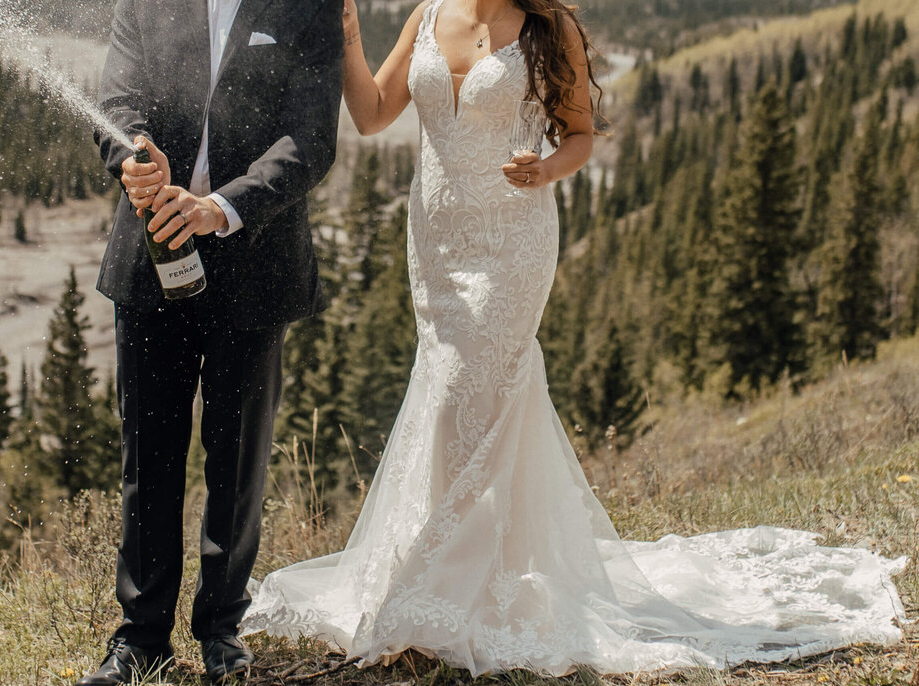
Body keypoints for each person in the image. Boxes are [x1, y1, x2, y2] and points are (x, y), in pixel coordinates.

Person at [242, 0, 908, 677]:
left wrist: (545, 170)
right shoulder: (425, 15)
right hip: (437, 243)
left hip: (513, 241)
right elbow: (372, 113)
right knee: (450, 397)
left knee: (463, 395)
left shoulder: (547, 27)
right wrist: (351, 37)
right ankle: (461, 576)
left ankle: (445, 590)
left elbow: (582, 136)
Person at [81, 0, 343, 684]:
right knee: (150, 457)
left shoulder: (308, 7)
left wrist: (219, 208)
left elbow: (311, 140)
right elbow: (118, 102)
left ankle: (223, 632)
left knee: (237, 460)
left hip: (255, 263)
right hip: (150, 258)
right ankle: (141, 637)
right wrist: (133, 156)